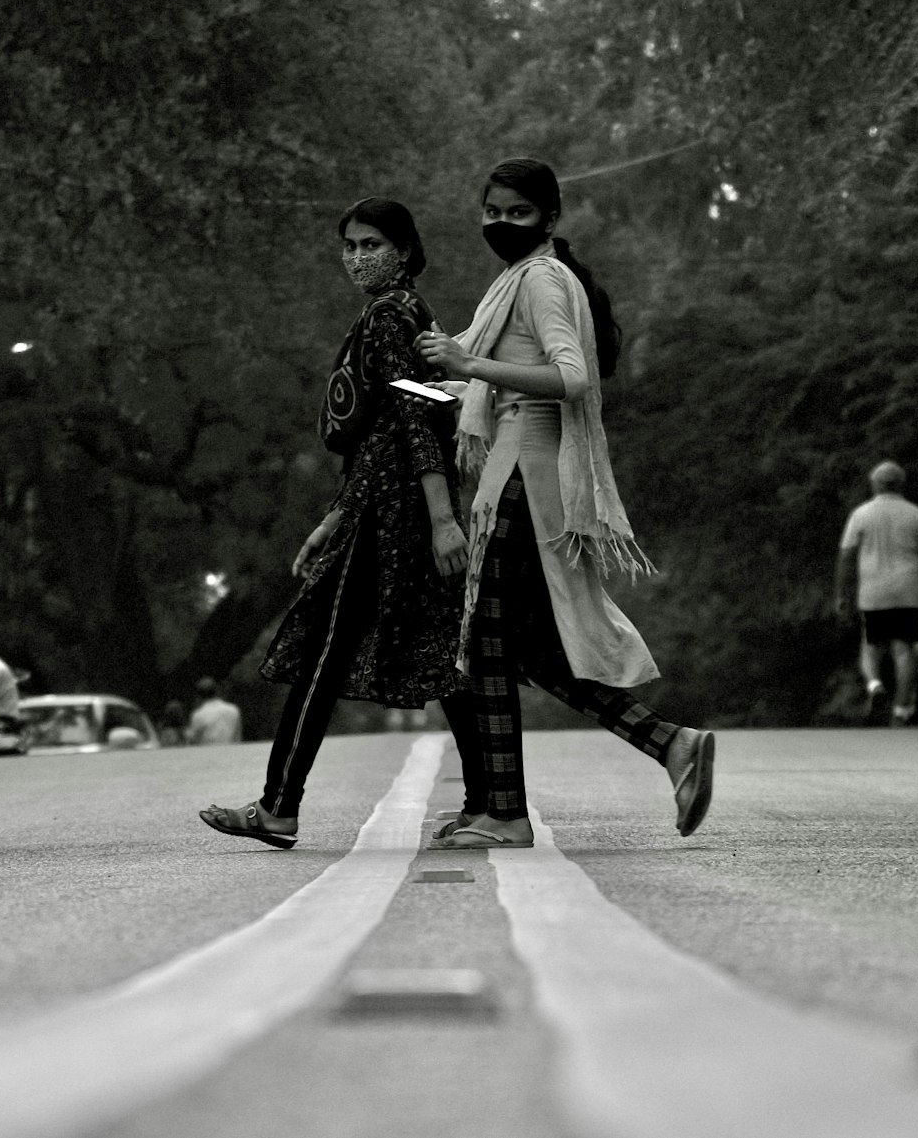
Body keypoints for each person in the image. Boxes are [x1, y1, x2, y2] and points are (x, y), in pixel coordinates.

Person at [416, 157, 714, 849]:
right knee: (524, 648)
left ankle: (506, 812)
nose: (500, 223)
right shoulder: (516, 282)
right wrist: (438, 385)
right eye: (491, 210)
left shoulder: (544, 279)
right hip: (515, 469)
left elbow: (571, 378)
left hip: (530, 476)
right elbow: (499, 389)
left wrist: (468, 367)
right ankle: (670, 743)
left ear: (549, 219)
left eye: (517, 212)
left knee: (490, 648)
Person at [199, 198, 485, 848]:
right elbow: (384, 431)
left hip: (394, 515)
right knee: (442, 648)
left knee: (324, 653)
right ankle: (487, 798)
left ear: (406, 251)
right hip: (384, 506)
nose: (358, 256)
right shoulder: (407, 312)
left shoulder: (391, 317)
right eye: (350, 245)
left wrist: (443, 519)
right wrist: (336, 514)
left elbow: (418, 420)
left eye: (373, 244)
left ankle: (278, 806)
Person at [835, 460, 918, 723]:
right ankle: (900, 709)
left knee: (871, 646)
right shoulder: (916, 514)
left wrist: (842, 594)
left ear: (874, 484)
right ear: (901, 484)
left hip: (873, 591)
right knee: (903, 649)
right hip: (908, 590)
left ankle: (875, 686)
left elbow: (846, 556)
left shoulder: (861, 514)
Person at [187, 677, 242, 745]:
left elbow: (192, 741)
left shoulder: (198, 715)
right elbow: (237, 737)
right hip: (231, 753)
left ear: (198, 696)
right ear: (217, 691)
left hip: (208, 754)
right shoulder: (233, 710)